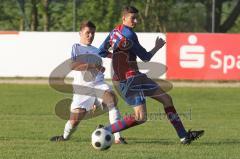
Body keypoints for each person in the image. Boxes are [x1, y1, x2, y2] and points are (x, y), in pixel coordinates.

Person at [97, 6, 204, 144]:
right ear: (124, 18)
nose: (135, 21)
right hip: (128, 80)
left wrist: (118, 56)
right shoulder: (129, 35)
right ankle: (105, 130)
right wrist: (157, 47)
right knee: (140, 117)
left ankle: (184, 137)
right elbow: (146, 57)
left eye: (136, 18)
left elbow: (101, 51)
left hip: (135, 76)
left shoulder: (115, 31)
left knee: (166, 99)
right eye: (132, 18)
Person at [50, 20, 127, 144]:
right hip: (82, 88)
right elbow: (73, 65)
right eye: (88, 33)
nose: (90, 36)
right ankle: (64, 137)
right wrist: (93, 65)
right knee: (75, 120)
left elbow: (114, 56)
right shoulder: (77, 47)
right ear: (80, 33)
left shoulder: (98, 50)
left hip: (98, 84)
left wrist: (121, 53)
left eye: (93, 33)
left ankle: (118, 137)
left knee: (111, 100)